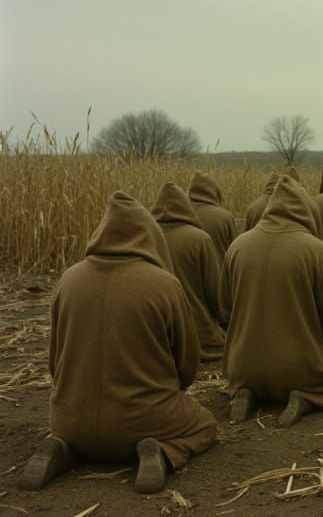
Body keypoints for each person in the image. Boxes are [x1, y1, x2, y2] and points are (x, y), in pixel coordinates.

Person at [19, 192, 216, 494]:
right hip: (147, 420)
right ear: (150, 237)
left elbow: (54, 362)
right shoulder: (164, 285)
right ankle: (163, 452)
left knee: (77, 434)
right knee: (205, 424)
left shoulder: (68, 280)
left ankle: (63, 448)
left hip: (70, 420)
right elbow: (188, 363)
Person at [222, 175, 323, 427]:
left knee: (252, 378)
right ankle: (307, 397)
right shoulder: (316, 250)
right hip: (299, 369)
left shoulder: (237, 247)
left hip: (242, 368)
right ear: (307, 211)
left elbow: (225, 309)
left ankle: (247, 393)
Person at [151, 182, 226, 361]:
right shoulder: (199, 239)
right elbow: (214, 295)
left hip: (157, 333)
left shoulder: (146, 237)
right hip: (200, 335)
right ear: (186, 206)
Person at [187, 171, 238, 263]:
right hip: (218, 274)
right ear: (215, 191)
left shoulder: (182, 213)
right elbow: (234, 252)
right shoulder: (225, 217)